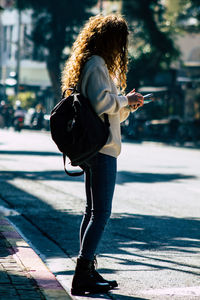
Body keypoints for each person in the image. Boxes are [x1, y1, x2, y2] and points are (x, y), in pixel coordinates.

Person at [61, 14, 144, 296]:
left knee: (92, 211)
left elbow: (108, 112)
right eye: (120, 41)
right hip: (102, 150)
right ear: (110, 40)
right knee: (101, 213)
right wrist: (125, 99)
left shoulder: (95, 64)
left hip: (98, 147)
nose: (122, 48)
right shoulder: (96, 64)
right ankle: (83, 271)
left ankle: (87, 268)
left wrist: (128, 106)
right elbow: (101, 103)